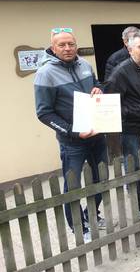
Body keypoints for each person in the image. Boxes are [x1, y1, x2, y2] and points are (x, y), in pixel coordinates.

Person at [34, 27, 106, 241]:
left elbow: (96, 85)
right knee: (72, 186)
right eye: (62, 45)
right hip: (72, 142)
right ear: (53, 47)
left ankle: (90, 215)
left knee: (100, 178)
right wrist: (74, 133)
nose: (67, 48)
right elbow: (44, 113)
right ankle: (78, 227)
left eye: (71, 44)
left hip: (96, 135)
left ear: (76, 45)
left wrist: (98, 89)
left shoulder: (85, 64)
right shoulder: (45, 73)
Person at [106, 32, 140, 216]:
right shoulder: (120, 72)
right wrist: (133, 112)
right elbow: (111, 102)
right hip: (131, 128)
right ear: (130, 50)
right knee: (134, 166)